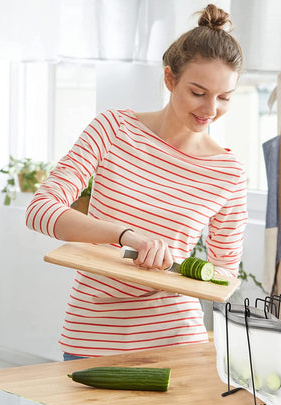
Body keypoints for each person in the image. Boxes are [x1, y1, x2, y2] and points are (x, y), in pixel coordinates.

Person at [26, 3, 247, 360]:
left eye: (224, 98)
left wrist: (173, 266)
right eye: (198, 92)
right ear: (170, 79)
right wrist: (126, 236)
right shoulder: (113, 129)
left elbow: (224, 272)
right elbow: (40, 211)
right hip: (92, 336)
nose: (210, 109)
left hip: (177, 340)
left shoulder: (229, 172)